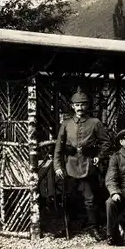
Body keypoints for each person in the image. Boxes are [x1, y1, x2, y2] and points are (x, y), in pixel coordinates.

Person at [53, 88, 111, 241]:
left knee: (90, 198)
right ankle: (69, 227)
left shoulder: (95, 123)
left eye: (83, 105)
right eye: (77, 105)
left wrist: (99, 156)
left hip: (87, 166)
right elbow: (59, 147)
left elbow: (105, 142)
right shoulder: (66, 124)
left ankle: (93, 227)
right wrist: (58, 166)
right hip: (70, 166)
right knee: (69, 197)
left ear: (87, 106)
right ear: (72, 106)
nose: (80, 108)